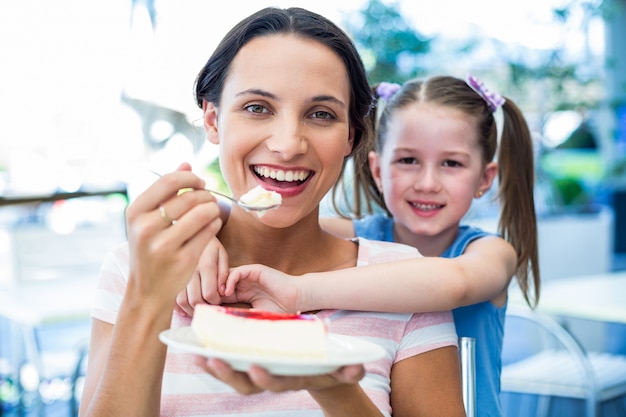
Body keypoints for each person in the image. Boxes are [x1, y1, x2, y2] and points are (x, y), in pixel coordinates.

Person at [79, 7, 465, 417]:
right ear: (212, 120)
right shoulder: (133, 270)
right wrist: (149, 294)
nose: (287, 144)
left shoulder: (405, 284)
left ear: (350, 137)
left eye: (321, 114)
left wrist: (331, 385)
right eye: (257, 108)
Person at [203, 75, 540, 417]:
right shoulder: (361, 235)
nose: (427, 183)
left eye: (451, 164)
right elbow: (244, 218)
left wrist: (299, 291)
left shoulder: (491, 253)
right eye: (408, 160)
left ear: (484, 178)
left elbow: (453, 284)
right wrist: (203, 233)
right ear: (378, 170)